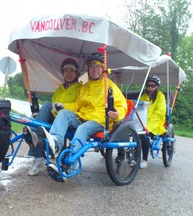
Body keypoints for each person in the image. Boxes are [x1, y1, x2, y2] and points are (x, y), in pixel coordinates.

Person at [37, 52, 127, 182]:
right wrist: (64, 106)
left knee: (82, 129)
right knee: (64, 114)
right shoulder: (83, 87)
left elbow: (121, 104)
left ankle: (68, 166)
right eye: (91, 66)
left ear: (103, 69)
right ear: (88, 70)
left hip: (100, 119)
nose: (94, 69)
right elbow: (77, 105)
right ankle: (56, 143)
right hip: (83, 116)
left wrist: (118, 113)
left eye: (97, 66)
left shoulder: (109, 85)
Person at [24, 57, 82, 176]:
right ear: (62, 73)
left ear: (76, 73)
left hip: (75, 118)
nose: (68, 73)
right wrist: (42, 115)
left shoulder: (82, 88)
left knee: (61, 113)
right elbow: (54, 108)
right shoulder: (59, 90)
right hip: (60, 119)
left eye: (71, 70)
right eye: (66, 71)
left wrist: (64, 107)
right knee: (46, 106)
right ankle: (37, 151)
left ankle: (54, 147)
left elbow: (81, 105)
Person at [139, 75, 166, 169]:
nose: (150, 88)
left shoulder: (160, 96)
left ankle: (144, 160)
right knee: (135, 131)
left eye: (152, 86)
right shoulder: (143, 96)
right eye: (148, 85)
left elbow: (160, 111)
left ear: (156, 86)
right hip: (143, 120)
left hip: (156, 121)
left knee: (145, 135)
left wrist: (147, 120)